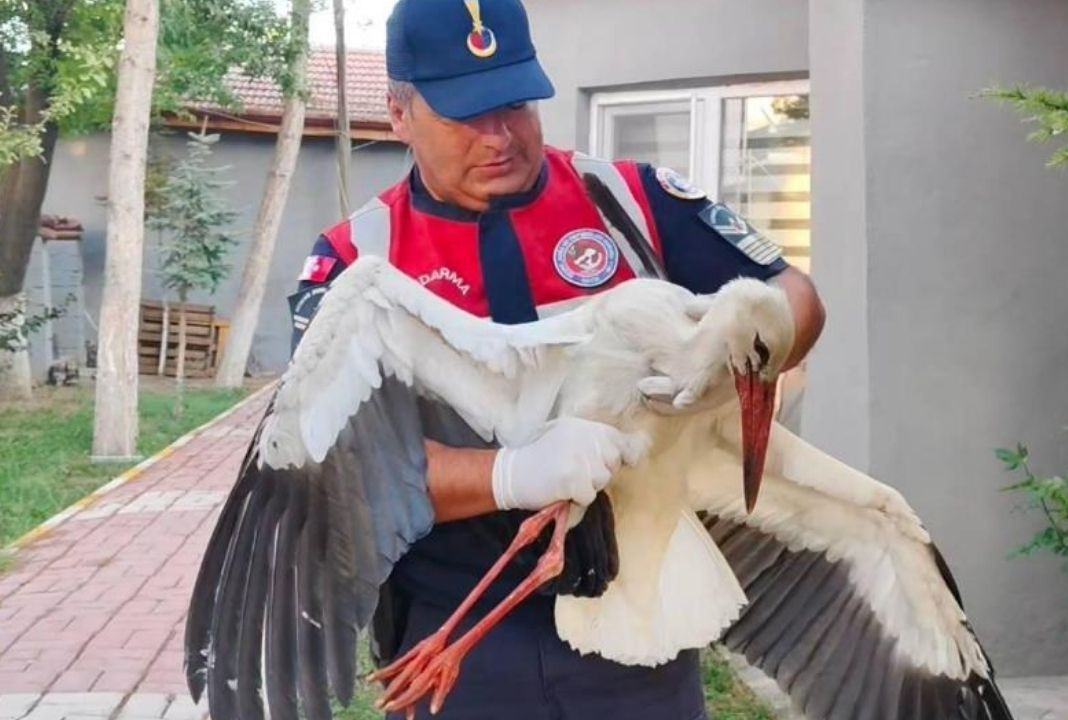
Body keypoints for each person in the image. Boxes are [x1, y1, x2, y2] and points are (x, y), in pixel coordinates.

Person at [288, 0, 825, 716]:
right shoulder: (356, 261)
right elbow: (337, 469)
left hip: (633, 626)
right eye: (465, 114)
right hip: (463, 631)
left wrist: (740, 368)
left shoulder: (631, 201)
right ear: (398, 113)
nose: (500, 135)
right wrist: (511, 475)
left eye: (515, 103)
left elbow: (793, 293)